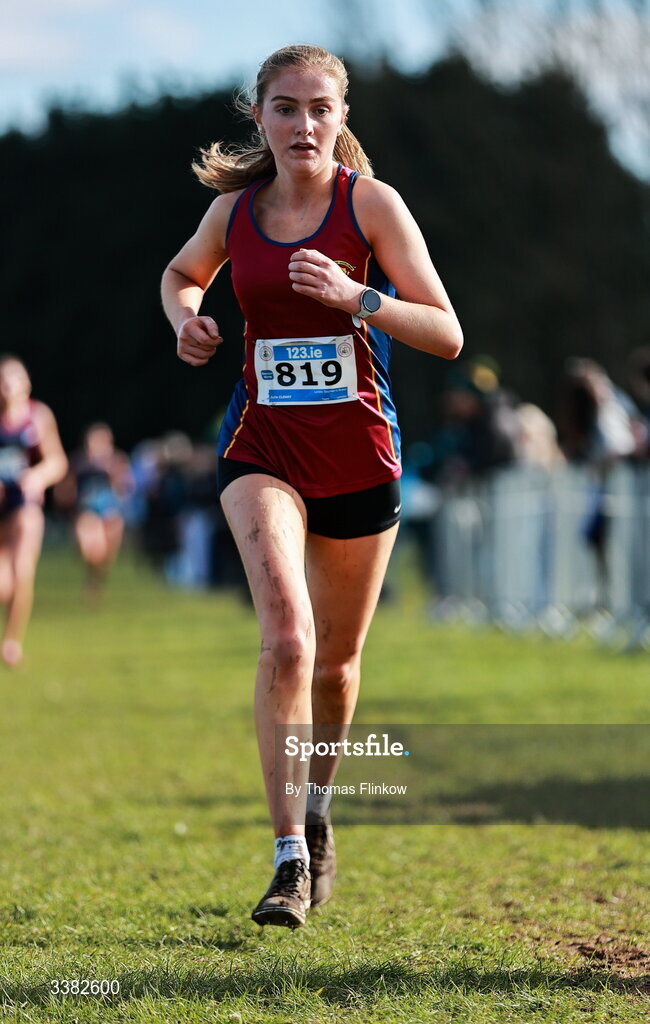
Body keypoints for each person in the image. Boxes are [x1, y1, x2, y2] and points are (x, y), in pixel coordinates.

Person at [161, 44, 463, 929]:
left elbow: (443, 330)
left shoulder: (370, 205)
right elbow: (183, 276)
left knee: (333, 667)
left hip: (361, 458)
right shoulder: (235, 211)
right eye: (285, 108)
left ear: (342, 116)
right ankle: (288, 856)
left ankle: (321, 816)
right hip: (263, 448)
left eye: (319, 108)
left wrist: (354, 297)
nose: (303, 125)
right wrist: (188, 321)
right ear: (259, 116)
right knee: (288, 641)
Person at [0, 355, 67, 666]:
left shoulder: (37, 416)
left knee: (22, 570)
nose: (6, 387)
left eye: (12, 379)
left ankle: (12, 641)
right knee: (4, 583)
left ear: (25, 384)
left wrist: (37, 477)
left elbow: (57, 461)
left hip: (24, 505)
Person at [56, 424, 132, 598]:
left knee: (106, 554)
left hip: (111, 511)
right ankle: (91, 575)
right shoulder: (78, 461)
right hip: (87, 510)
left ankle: (96, 580)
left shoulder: (116, 460)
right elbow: (65, 487)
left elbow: (127, 485)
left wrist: (112, 472)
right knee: (88, 549)